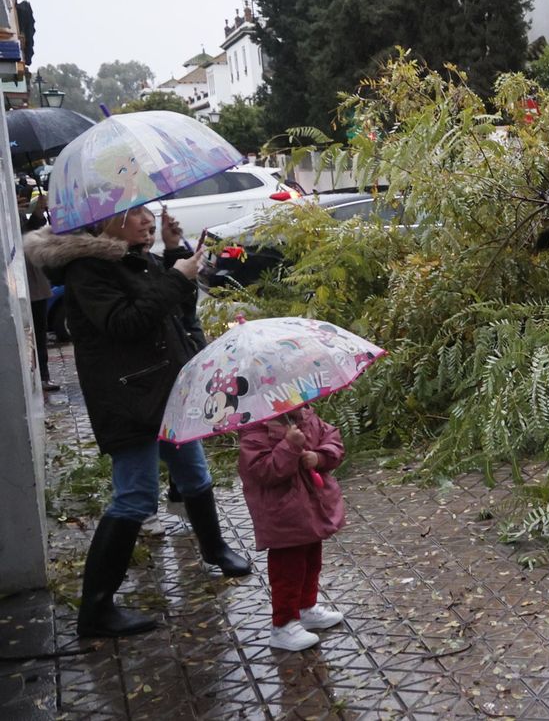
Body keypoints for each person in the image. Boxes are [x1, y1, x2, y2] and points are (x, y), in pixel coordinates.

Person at [24, 205, 252, 639]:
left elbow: (174, 310)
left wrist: (172, 255)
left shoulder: (132, 257)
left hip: (165, 391)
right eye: (135, 214)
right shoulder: (88, 270)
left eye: (149, 212)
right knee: (135, 497)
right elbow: (125, 323)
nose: (148, 219)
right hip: (128, 399)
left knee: (195, 474)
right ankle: (95, 609)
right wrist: (174, 276)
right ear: (105, 223)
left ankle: (215, 549)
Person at [238, 405, 347, 651]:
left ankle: (306, 608)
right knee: (288, 570)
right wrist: (289, 446)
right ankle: (283, 625)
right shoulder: (254, 432)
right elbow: (262, 471)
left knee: (311, 561)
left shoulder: (305, 415)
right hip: (283, 514)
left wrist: (319, 457)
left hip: (310, 506)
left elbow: (333, 439)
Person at [16, 185, 58, 392]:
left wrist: (39, 211)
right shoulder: (12, 216)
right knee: (28, 334)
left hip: (35, 282)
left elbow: (34, 234)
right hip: (21, 282)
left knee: (39, 332)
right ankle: (36, 374)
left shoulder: (24, 216)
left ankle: (43, 375)